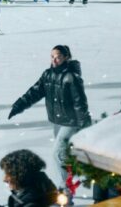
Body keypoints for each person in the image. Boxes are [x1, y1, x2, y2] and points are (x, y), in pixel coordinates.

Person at [8, 46, 92, 195]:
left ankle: (64, 190)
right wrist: (18, 106)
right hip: (57, 121)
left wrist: (84, 125)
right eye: (52, 56)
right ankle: (70, 183)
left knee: (57, 153)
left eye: (58, 57)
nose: (54, 60)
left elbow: (80, 103)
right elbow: (34, 92)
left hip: (71, 122)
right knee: (65, 155)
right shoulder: (48, 75)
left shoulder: (71, 77)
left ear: (66, 57)